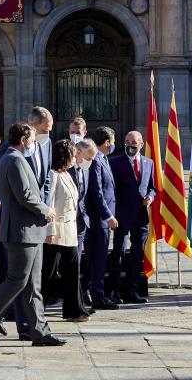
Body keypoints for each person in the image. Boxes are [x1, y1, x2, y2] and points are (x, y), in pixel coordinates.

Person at [0, 122, 63, 348]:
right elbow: (26, 196)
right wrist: (45, 210)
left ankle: (39, 332)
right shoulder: (14, 160)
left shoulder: (12, 159)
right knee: (16, 281)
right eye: (31, 140)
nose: (32, 144)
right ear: (23, 140)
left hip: (30, 231)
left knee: (32, 286)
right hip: (22, 232)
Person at [41, 139, 89, 322]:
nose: (76, 157)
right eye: (73, 154)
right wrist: (49, 230)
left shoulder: (67, 174)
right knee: (48, 273)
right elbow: (49, 203)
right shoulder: (53, 175)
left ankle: (74, 310)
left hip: (71, 232)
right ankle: (34, 310)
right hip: (57, 232)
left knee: (72, 272)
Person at [108, 130, 155, 305]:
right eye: (127, 141)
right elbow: (110, 188)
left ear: (141, 144)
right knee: (118, 251)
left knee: (137, 253)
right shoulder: (115, 162)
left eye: (133, 142)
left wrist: (150, 197)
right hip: (121, 214)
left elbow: (152, 187)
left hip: (141, 216)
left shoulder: (148, 163)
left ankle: (132, 289)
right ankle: (115, 289)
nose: (129, 145)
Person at [82, 130, 118, 310]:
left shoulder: (103, 159)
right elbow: (97, 192)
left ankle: (86, 292)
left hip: (101, 218)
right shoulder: (96, 160)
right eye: (112, 142)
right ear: (106, 142)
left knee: (95, 258)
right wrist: (108, 215)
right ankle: (97, 295)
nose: (113, 145)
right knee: (98, 258)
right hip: (98, 219)